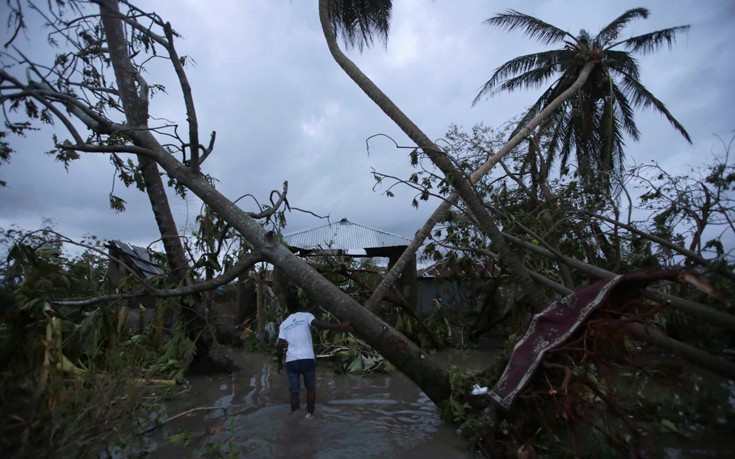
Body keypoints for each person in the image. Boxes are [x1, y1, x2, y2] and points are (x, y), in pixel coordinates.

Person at [275, 301, 351, 417]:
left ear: (287, 309)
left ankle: (295, 417)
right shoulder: (306, 316)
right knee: (310, 388)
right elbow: (320, 325)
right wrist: (340, 326)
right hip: (307, 359)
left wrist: (280, 364)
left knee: (294, 392)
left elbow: (279, 345)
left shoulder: (284, 324)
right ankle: (309, 416)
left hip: (291, 362)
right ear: (300, 306)